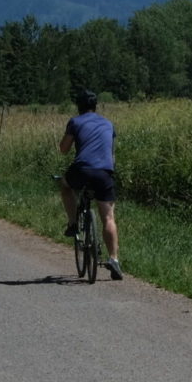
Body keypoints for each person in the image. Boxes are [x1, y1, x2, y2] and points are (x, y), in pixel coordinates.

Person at [59, 90, 123, 280]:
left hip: (83, 169)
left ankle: (72, 223)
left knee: (64, 185)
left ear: (78, 106)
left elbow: (63, 149)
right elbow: (111, 154)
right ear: (96, 106)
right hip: (105, 171)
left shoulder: (75, 122)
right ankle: (114, 259)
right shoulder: (109, 124)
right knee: (109, 217)